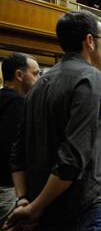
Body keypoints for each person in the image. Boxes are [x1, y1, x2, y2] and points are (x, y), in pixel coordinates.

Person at [6, 11, 101, 230]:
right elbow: (72, 159)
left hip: (38, 203)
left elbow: (18, 151)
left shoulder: (39, 84)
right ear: (90, 41)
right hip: (77, 208)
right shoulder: (91, 77)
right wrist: (35, 208)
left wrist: (24, 199)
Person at [0, 53, 39, 226]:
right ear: (19, 75)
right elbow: (13, 150)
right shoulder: (20, 105)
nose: (38, 78)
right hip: (8, 187)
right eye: (36, 73)